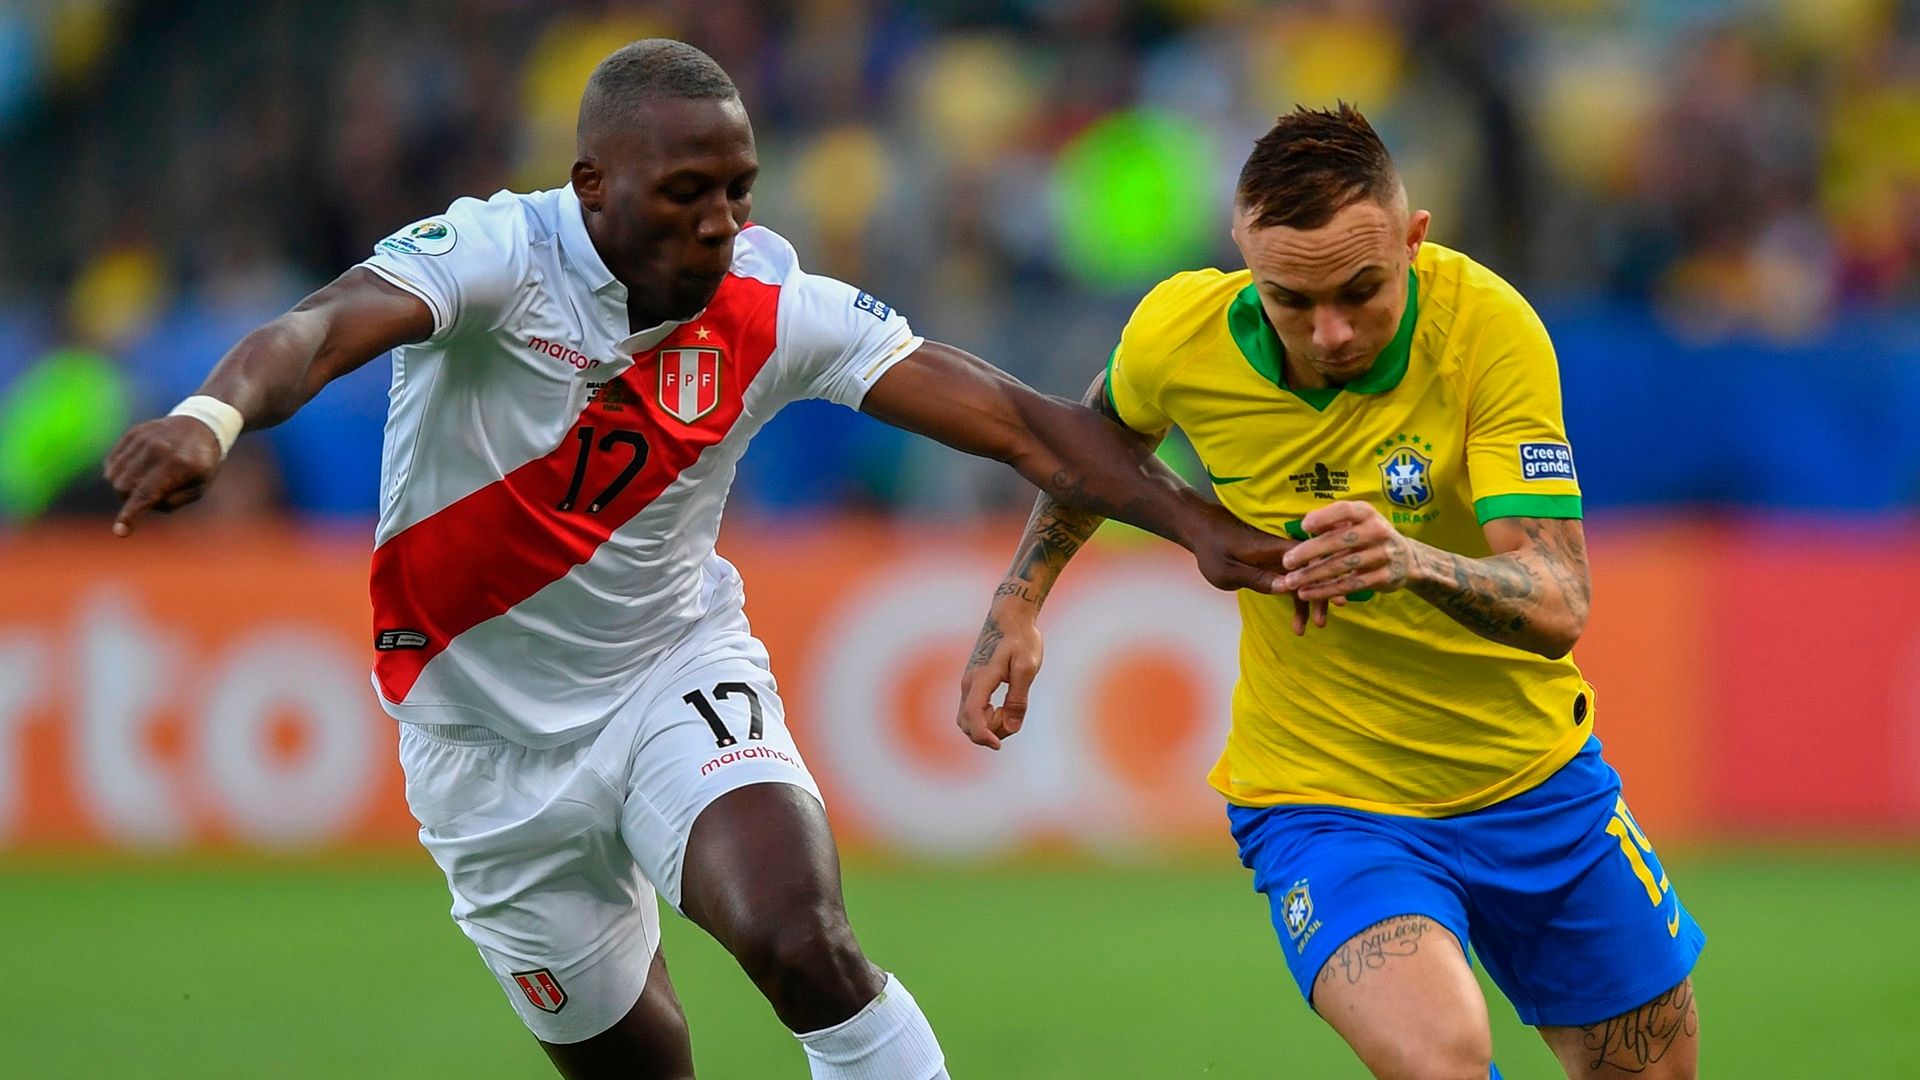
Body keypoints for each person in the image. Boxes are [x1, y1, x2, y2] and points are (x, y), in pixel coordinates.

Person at [101, 40, 1304, 1080]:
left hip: (669, 675)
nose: (722, 222)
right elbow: (316, 327)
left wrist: (1202, 528)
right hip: (479, 750)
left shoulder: (770, 304)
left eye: (739, 189)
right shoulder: (494, 255)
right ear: (592, 186)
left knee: (801, 941)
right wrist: (213, 418)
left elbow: (1021, 423)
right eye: (687, 193)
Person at [959, 104, 1704, 1080]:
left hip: (1535, 781)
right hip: (1328, 803)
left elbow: (1560, 600)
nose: (1332, 332)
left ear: (1414, 239)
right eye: (1292, 301)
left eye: (1361, 292)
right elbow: (1093, 449)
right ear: (1244, 256)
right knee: (1441, 1058)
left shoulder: (1488, 330)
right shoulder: (1179, 335)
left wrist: (1411, 561)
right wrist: (1020, 598)